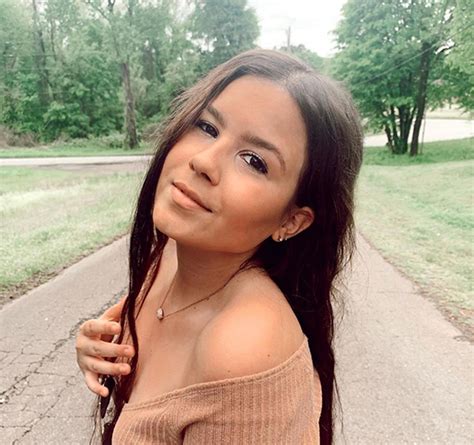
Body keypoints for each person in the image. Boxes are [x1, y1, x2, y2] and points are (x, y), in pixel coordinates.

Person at [75, 48, 363, 445]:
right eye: (208, 127)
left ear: (291, 221)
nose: (204, 161)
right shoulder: (170, 257)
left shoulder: (244, 349)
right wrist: (100, 348)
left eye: (254, 161)